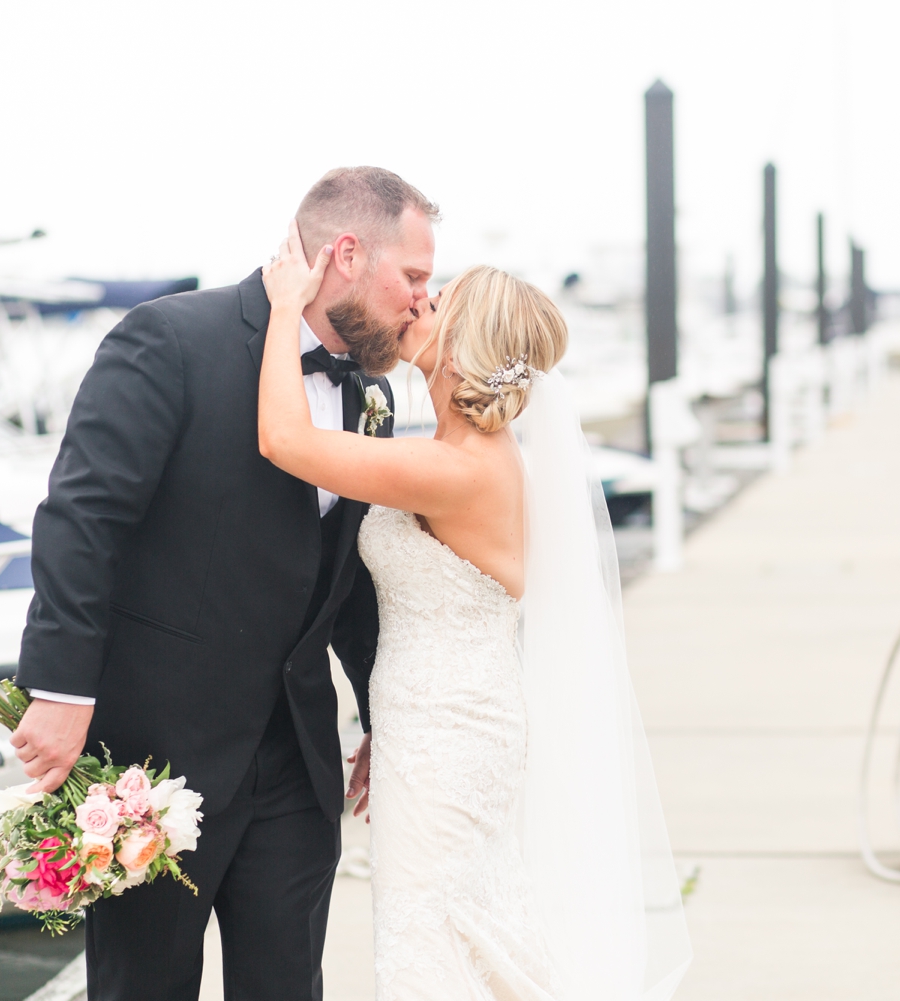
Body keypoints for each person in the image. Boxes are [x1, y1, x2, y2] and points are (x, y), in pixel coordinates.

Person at [10, 166, 438, 1001]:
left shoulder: (372, 393)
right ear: (346, 254)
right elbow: (82, 516)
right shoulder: (168, 339)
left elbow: (350, 580)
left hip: (297, 762)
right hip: (155, 759)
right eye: (413, 276)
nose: (423, 300)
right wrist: (60, 687)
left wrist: (385, 717)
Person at [259, 229, 691, 999]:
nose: (420, 299)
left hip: (450, 740)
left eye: (441, 298)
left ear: (463, 344)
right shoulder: (459, 454)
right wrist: (384, 724)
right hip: (436, 725)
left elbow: (284, 439)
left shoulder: (461, 469)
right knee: (465, 937)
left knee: (432, 941)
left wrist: (286, 303)